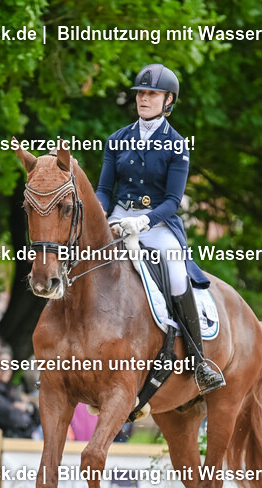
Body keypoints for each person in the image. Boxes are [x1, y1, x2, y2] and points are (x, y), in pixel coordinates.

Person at [95, 63, 224, 395]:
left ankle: (198, 360)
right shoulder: (116, 140)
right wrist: (99, 215)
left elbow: (173, 200)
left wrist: (144, 221)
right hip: (118, 218)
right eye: (141, 93)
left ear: (168, 100)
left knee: (176, 270)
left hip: (157, 223)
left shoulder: (177, 145)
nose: (144, 99)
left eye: (151, 94)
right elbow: (105, 190)